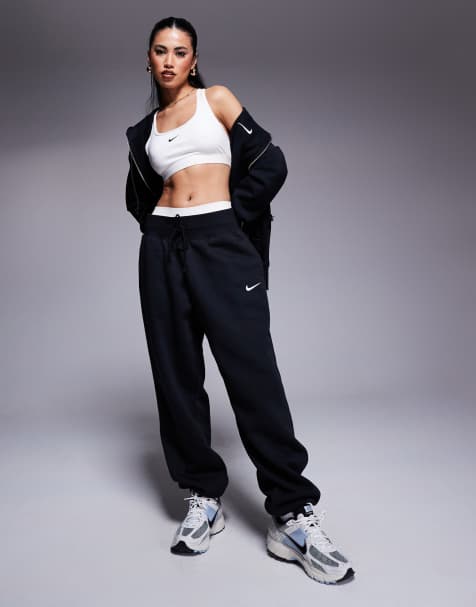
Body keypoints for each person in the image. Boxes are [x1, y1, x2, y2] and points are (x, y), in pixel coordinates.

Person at [125, 16, 355, 585]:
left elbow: (271, 163)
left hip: (220, 245)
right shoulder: (144, 130)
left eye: (180, 51)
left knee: (253, 375)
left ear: (194, 60)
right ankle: (203, 496)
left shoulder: (217, 101)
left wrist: (227, 222)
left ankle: (292, 514)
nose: (170, 60)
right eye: (161, 50)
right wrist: (162, 232)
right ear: (148, 59)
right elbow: (139, 199)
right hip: (163, 249)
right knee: (176, 376)